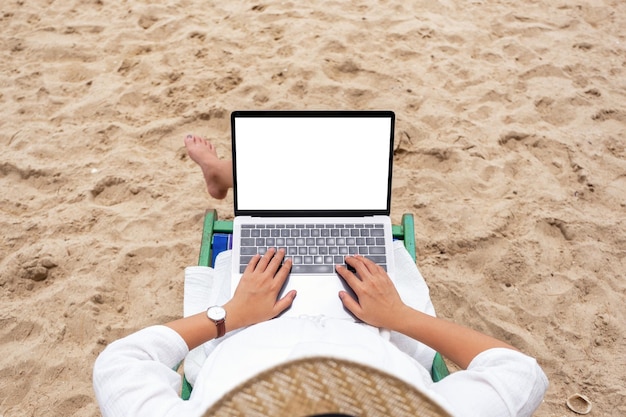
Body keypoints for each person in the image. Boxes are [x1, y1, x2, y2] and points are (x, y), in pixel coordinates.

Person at [92, 135, 548, 417]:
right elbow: (518, 371)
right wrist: (401, 317)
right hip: (374, 319)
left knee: (272, 223)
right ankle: (226, 173)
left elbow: (120, 365)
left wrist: (226, 316)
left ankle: (224, 173)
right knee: (345, 209)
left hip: (250, 315)